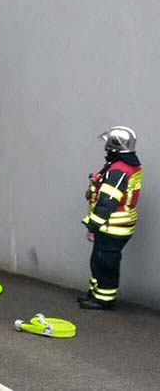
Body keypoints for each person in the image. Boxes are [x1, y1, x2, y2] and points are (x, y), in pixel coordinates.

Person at [79, 126, 143, 310]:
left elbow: (107, 202)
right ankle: (94, 294)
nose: (105, 147)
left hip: (113, 226)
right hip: (115, 225)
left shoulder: (118, 170)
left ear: (114, 146)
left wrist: (92, 226)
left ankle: (104, 300)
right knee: (98, 260)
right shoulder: (126, 166)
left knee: (105, 263)